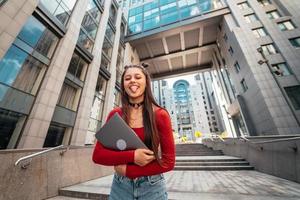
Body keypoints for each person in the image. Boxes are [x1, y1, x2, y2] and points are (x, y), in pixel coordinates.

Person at [92, 63, 175, 200]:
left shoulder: (160, 115)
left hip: (152, 187)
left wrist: (129, 170)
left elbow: (168, 162)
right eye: (127, 78)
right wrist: (132, 156)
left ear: (146, 83)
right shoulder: (115, 114)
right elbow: (98, 155)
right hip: (120, 186)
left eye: (138, 77)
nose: (132, 81)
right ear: (124, 85)